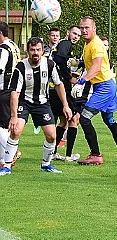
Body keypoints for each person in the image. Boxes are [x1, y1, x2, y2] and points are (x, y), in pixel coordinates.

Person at [0, 37, 72, 175]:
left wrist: (65, 105)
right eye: (32, 50)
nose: (35, 53)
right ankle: (6, 166)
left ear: (42, 51)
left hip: (42, 103)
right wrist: (14, 117)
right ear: (27, 51)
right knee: (15, 130)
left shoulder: (50, 65)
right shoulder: (21, 67)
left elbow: (59, 84)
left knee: (52, 135)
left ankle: (46, 164)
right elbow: (15, 93)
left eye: (38, 50)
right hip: (24, 102)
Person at [72, 16, 117, 165]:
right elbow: (92, 64)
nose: (84, 30)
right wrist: (77, 63)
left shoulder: (96, 44)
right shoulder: (88, 44)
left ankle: (96, 155)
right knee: (109, 120)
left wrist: (82, 81)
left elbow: (96, 67)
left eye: (87, 27)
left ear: (94, 28)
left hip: (104, 87)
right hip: (106, 85)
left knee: (84, 118)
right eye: (82, 28)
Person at [50, 26, 82, 162]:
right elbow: (58, 60)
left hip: (56, 88)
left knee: (63, 121)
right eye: (74, 33)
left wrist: (69, 73)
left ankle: (53, 152)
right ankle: (68, 155)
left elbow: (60, 61)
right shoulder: (66, 44)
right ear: (68, 33)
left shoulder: (63, 44)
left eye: (78, 35)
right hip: (63, 88)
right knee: (74, 119)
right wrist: (68, 78)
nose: (76, 37)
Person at [0, 22, 21, 166]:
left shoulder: (3, 49)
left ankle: (11, 152)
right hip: (11, 89)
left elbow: (0, 68)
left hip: (3, 89)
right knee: (4, 124)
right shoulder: (13, 45)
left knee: (2, 125)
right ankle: (5, 156)